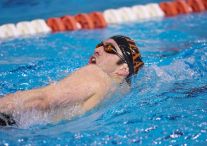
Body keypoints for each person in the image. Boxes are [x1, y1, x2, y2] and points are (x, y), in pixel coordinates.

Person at [0, 35, 144, 126]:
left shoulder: (95, 74)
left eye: (109, 48)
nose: (98, 49)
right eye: (100, 44)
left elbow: (43, 99)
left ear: (123, 69)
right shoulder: (120, 91)